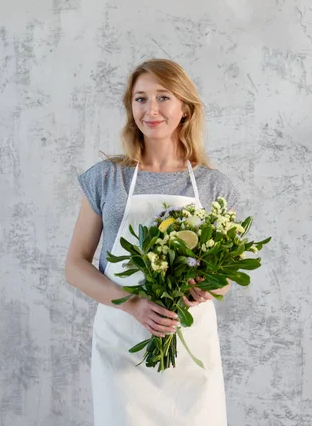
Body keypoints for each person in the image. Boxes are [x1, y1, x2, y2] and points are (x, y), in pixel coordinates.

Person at [65, 58, 239, 426]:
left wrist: (205, 288)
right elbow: (75, 265)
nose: (151, 109)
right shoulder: (106, 178)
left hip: (190, 345)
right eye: (140, 99)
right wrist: (133, 305)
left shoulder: (212, 185)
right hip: (122, 342)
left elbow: (225, 274)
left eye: (164, 97)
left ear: (185, 110)